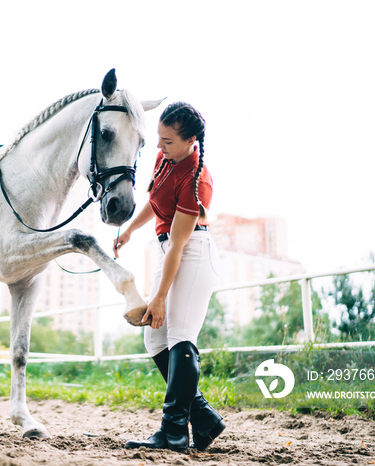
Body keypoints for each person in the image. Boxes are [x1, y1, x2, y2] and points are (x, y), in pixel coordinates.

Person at [114, 102, 225, 452]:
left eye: (168, 142)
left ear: (191, 140)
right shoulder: (167, 159)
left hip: (191, 253)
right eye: (159, 140)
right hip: (166, 251)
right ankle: (203, 417)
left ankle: (174, 431)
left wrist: (160, 296)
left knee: (179, 337)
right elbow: (156, 200)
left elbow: (180, 244)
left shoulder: (196, 178)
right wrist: (130, 229)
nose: (160, 148)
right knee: (155, 341)